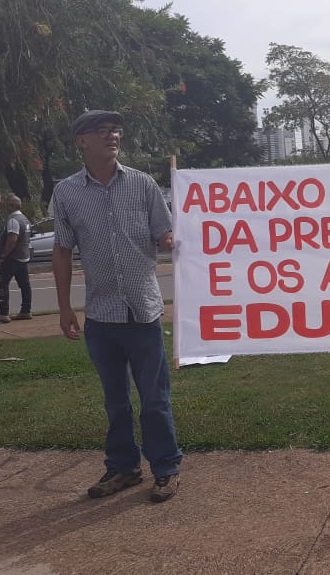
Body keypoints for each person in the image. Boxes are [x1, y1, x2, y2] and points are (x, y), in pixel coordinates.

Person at [52, 110, 182, 503]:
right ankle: (123, 467)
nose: (112, 136)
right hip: (101, 315)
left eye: (115, 130)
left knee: (154, 398)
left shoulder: (142, 184)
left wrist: (171, 241)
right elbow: (61, 249)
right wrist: (63, 307)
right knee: (115, 400)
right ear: (82, 141)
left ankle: (166, 469)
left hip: (142, 311)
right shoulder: (67, 192)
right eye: (101, 131)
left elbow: (165, 231)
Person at [0, 194, 33, 323]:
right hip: (23, 257)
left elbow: (12, 239)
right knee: (25, 285)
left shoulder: (13, 220)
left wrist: (3, 255)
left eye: (8, 204)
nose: (5, 207)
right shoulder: (24, 218)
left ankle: (3, 313)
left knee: (2, 283)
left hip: (13, 257)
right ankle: (26, 310)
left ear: (12, 206)